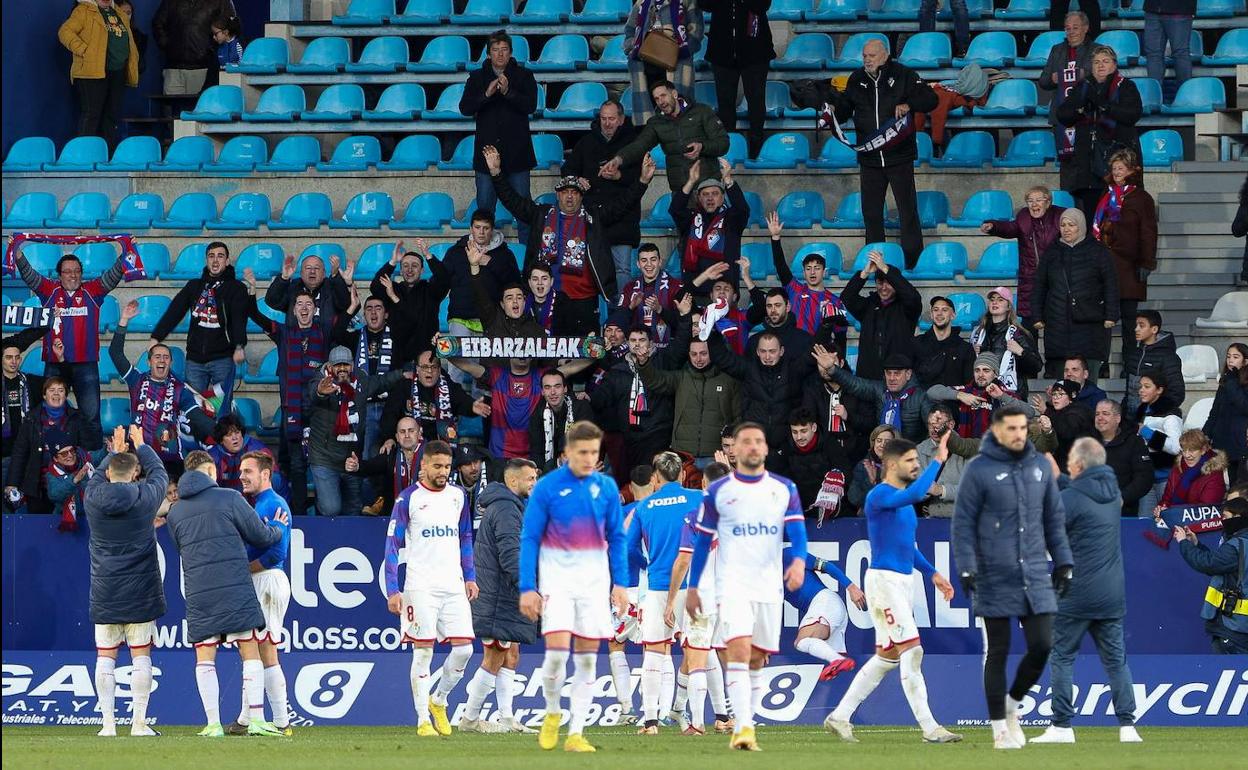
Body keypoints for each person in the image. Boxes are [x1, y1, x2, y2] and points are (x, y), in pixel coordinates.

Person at [825, 431, 961, 744]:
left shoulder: (904, 503)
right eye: (910, 461)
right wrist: (938, 460)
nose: (915, 465)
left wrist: (932, 574)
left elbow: (907, 546)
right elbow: (916, 493)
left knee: (887, 658)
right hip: (884, 583)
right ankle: (930, 728)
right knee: (913, 650)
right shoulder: (879, 496)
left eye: (917, 460)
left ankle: (839, 716)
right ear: (891, 465)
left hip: (901, 582)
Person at [953, 406, 1073, 750]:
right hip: (993, 573)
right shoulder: (979, 469)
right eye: (1012, 428)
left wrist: (1064, 561)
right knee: (998, 650)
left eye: (1023, 428)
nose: (1019, 434)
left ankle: (1011, 704)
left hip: (1033, 572)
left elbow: (1053, 520)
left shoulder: (1039, 467)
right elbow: (963, 523)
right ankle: (999, 731)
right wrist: (966, 566)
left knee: (1043, 645)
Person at [685, 422, 806, 751]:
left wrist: (798, 561)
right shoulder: (719, 492)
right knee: (737, 651)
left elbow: (797, 531)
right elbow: (702, 542)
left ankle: (745, 721)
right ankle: (743, 728)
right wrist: (693, 587)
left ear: (765, 449)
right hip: (732, 585)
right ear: (733, 451)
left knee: (756, 659)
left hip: (768, 587)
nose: (752, 446)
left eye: (758, 441)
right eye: (745, 442)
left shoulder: (783, 488)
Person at [519, 421, 630, 752]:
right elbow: (529, 538)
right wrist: (527, 587)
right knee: (556, 655)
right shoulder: (547, 487)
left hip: (594, 584)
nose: (589, 459)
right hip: (558, 582)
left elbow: (617, 537)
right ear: (567, 452)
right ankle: (553, 711)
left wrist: (620, 583)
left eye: (594, 453)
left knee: (587, 660)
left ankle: (576, 733)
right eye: (583, 452)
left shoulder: (606, 487)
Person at [164, 450, 285, 738]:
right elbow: (261, 537)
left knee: (205, 654)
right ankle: (257, 719)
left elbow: (181, 547)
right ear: (209, 472)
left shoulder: (175, 511)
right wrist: (278, 528)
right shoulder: (230, 498)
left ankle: (212, 724)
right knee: (249, 647)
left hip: (199, 589)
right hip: (234, 584)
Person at [1032, 438, 1142, 744]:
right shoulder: (1113, 493)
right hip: (1111, 594)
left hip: (1076, 593)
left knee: (1062, 657)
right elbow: (1081, 493)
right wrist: (1057, 474)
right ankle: (1128, 726)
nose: (1068, 465)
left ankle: (1061, 726)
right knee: (1116, 661)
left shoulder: (1070, 499)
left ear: (1080, 465)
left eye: (1070, 461)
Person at [486, 146, 657, 334]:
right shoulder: (541, 215)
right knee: (546, 349)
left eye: (574, 192)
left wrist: (643, 181)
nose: (569, 196)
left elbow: (623, 204)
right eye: (565, 192)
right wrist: (496, 173)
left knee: (587, 349)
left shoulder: (593, 217)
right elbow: (513, 201)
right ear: (557, 194)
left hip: (585, 300)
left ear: (581, 196)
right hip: (546, 298)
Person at [382, 441, 477, 737]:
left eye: (447, 467)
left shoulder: (458, 496)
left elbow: (465, 537)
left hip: (453, 584)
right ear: (423, 465)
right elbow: (393, 544)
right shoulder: (408, 498)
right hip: (420, 586)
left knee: (465, 650)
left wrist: (470, 576)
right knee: (423, 651)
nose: (443, 472)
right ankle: (423, 719)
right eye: (437, 466)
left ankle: (439, 700)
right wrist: (393, 589)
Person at [82, 424, 167, 737]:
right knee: (141, 656)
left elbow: (95, 476)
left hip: (105, 589)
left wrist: (114, 452)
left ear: (108, 473)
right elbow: (159, 472)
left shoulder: (92, 497)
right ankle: (139, 724)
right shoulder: (145, 498)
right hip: (141, 591)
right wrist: (141, 444)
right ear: (134, 474)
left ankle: (108, 725)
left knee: (105, 657)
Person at [825, 39, 938, 269]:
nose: (867, 60)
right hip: (870, 159)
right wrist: (834, 109)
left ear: (885, 55)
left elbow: (930, 99)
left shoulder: (904, 74)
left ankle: (913, 263)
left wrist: (909, 104)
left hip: (899, 156)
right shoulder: (856, 79)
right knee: (871, 214)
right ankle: (875, 264)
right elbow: (846, 109)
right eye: (864, 56)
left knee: (908, 212)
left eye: (872, 55)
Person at [13, 249, 131, 448]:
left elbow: (113, 275)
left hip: (86, 364)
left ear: (81, 274)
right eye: (67, 271)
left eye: (77, 271)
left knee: (91, 416)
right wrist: (18, 255)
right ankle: (49, 457)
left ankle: (93, 461)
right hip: (55, 363)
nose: (73, 275)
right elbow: (29, 275)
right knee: (50, 413)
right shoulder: (49, 290)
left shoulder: (92, 291)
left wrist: (126, 252)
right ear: (59, 275)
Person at [461, 458, 541, 734]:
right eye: (530, 478)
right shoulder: (506, 509)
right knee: (495, 655)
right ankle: (470, 718)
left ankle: (506, 717)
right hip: (497, 595)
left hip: (503, 593)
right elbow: (510, 555)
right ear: (513, 480)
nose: (534, 483)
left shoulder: (512, 505)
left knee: (511, 654)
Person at [629, 452, 703, 734]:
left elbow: (629, 548)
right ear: (682, 474)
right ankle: (699, 720)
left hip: (659, 587)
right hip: (694, 587)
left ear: (656, 478)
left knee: (654, 652)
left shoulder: (644, 507)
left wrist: (647, 564)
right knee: (697, 653)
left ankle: (651, 721)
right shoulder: (699, 499)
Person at [223, 451, 293, 736]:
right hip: (264, 581)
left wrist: (242, 569)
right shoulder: (262, 504)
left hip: (267, 580)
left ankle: (280, 722)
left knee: (263, 650)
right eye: (241, 471)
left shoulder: (273, 504)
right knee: (253, 650)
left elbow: (277, 552)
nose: (242, 476)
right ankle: (246, 718)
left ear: (265, 474)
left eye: (248, 471)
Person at [245, 286, 327, 515]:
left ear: (315, 309)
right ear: (293, 310)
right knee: (297, 465)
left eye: (308, 304)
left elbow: (345, 323)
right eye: (299, 304)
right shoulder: (284, 333)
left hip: (320, 410)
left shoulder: (324, 333)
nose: (304, 308)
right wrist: (252, 293)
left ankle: (323, 513)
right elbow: (256, 316)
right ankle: (299, 514)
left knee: (321, 464)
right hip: (292, 410)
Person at [111, 300, 216, 475]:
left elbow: (198, 419)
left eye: (166, 357)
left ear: (171, 363)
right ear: (149, 362)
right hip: (138, 456)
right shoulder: (136, 379)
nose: (161, 360)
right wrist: (124, 320)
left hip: (169, 459)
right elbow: (115, 353)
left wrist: (224, 433)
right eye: (157, 356)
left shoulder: (180, 389)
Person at [307, 346, 412, 517]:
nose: (342, 369)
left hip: (352, 458)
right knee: (331, 508)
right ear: (330, 366)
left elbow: (380, 382)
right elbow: (313, 393)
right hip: (325, 458)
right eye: (338, 365)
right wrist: (320, 391)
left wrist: (401, 374)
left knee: (354, 509)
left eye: (346, 365)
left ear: (352, 365)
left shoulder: (360, 380)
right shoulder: (320, 381)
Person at [152, 241, 248, 418]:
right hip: (195, 360)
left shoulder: (236, 288)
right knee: (194, 411)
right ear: (206, 260)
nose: (215, 260)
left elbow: (238, 318)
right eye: (211, 256)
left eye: (220, 256)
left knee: (222, 410)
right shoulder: (194, 286)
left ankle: (222, 436)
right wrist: (156, 337)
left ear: (227, 261)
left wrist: (239, 345)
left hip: (223, 359)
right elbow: (175, 311)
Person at [461, 29, 538, 247]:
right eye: (495, 50)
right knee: (484, 212)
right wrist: (486, 94)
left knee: (524, 212)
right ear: (488, 54)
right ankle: (481, 256)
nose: (500, 54)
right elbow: (465, 108)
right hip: (486, 157)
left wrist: (508, 93)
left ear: (511, 52)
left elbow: (530, 106)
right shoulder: (477, 78)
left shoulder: (524, 76)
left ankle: (527, 258)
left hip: (517, 156)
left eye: (504, 49)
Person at [564, 100, 644, 293]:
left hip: (623, 218)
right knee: (590, 268)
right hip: (593, 218)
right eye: (603, 118)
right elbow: (567, 170)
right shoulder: (586, 142)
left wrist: (619, 176)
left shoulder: (633, 143)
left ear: (621, 119)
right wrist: (577, 180)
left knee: (622, 270)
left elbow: (642, 179)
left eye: (611, 119)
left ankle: (621, 309)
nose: (607, 123)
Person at [1056, 45, 1143, 222]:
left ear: (1114, 65)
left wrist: (1104, 106)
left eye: (1105, 61)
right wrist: (1080, 109)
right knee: (1092, 217)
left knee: (1120, 218)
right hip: (1089, 165)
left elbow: (1132, 115)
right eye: (1096, 62)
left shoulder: (1126, 86)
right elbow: (1063, 114)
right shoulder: (1083, 86)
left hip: (1117, 161)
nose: (1100, 65)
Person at [591, 322, 690, 474]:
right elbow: (599, 401)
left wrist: (685, 317)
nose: (637, 344)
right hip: (629, 438)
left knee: (655, 479)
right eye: (633, 340)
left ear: (651, 343)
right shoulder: (618, 370)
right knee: (631, 481)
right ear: (627, 343)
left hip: (658, 436)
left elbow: (682, 344)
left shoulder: (664, 361)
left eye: (642, 340)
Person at [1032, 208, 1120, 378]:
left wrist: (1111, 314)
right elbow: (1039, 286)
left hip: (1089, 323)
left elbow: (1111, 285)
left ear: (1081, 226)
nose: (1066, 229)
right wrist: (1037, 316)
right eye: (1063, 225)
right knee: (1062, 384)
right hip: (1057, 323)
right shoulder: (1051, 252)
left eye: (1071, 225)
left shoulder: (1098, 251)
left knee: (1088, 379)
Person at [602, 79, 730, 193]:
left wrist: (702, 147)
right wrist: (618, 160)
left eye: (663, 96)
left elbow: (723, 143)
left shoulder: (701, 111)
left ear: (674, 94)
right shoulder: (656, 123)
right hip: (680, 190)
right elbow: (639, 145)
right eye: (657, 99)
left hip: (708, 186)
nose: (661, 102)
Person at [1094, 150, 1157, 371]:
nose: (1117, 172)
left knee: (1130, 320)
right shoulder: (1106, 194)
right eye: (1114, 168)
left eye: (1121, 168)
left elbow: (1148, 232)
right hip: (1105, 265)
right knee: (1104, 319)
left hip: (1130, 266)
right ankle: (1101, 364)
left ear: (1131, 170)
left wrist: (1146, 262)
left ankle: (1129, 365)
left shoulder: (1141, 198)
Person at [639, 335, 740, 465]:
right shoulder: (681, 377)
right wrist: (644, 363)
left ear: (713, 353)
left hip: (716, 454)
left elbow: (738, 417)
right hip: (684, 453)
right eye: (694, 354)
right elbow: (655, 380)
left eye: (703, 353)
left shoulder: (729, 381)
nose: (698, 359)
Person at [333, 287, 404, 464]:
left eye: (378, 308)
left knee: (391, 456)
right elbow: (336, 334)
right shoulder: (356, 337)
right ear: (364, 314)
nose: (373, 312)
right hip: (364, 406)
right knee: (366, 456)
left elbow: (410, 322)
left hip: (391, 406)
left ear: (386, 314)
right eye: (369, 308)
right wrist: (352, 307)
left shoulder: (398, 336)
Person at [708, 329, 810, 446]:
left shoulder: (792, 370)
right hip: (754, 444)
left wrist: (825, 326)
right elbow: (722, 358)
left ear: (781, 351)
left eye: (772, 351)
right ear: (757, 352)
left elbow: (812, 356)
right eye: (763, 351)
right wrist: (712, 332)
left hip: (785, 445)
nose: (767, 356)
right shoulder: (749, 369)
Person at [980, 187, 1065, 327]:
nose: (1034, 204)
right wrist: (993, 226)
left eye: (1038, 200)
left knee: (1056, 322)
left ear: (1048, 202)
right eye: (1030, 201)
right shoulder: (1024, 216)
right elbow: (1009, 228)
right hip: (1030, 278)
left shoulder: (1060, 215)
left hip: (1057, 278)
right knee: (1029, 325)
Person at [59, 0, 139, 147]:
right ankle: (85, 154)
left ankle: (107, 154)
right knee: (92, 115)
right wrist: (83, 50)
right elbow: (64, 32)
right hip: (92, 72)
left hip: (117, 71)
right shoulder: (83, 10)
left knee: (111, 116)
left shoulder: (119, 12)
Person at [1174, 496, 1248, 654]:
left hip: (1232, 625)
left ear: (1238, 517)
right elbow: (1218, 565)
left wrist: (1183, 542)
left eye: (1226, 517)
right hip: (1240, 625)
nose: (1223, 521)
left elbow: (1207, 564)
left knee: (1229, 667)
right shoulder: (1242, 543)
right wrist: (1196, 544)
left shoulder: (1237, 545)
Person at [701, 0, 774, 158]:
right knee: (725, 102)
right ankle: (730, 148)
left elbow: (763, 4)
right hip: (722, 49)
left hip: (755, 49)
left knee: (756, 99)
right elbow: (704, 4)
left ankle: (756, 146)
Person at [835, 250, 923, 380]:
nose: (884, 287)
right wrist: (865, 273)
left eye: (889, 282)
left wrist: (885, 269)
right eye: (880, 282)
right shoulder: (868, 305)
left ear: (895, 284)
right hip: (868, 378)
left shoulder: (907, 308)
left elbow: (913, 297)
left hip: (897, 378)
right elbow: (847, 297)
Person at [672, 160, 751, 302]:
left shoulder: (731, 219)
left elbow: (742, 209)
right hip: (694, 293)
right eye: (705, 194)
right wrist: (690, 182)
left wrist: (728, 180)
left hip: (724, 294)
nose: (709, 198)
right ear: (698, 198)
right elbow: (675, 209)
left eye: (715, 194)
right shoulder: (690, 219)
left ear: (722, 197)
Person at [440, 211, 522, 349]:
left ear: (492, 229)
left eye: (486, 228)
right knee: (459, 361)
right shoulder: (456, 252)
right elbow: (440, 282)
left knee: (489, 362)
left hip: (493, 319)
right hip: (460, 317)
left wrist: (490, 263)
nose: (481, 232)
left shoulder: (505, 254)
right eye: (477, 227)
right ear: (471, 228)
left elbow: (515, 284)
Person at [5, 378, 87, 514]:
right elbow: (20, 453)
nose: (56, 394)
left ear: (66, 395)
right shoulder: (31, 418)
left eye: (61, 390)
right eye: (52, 390)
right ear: (44, 395)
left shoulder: (76, 418)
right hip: (37, 487)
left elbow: (85, 450)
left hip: (68, 484)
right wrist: (12, 483)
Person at [817, 348, 932, 443]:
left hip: (909, 456)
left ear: (908, 374)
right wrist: (832, 369)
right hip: (880, 453)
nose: (892, 378)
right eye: (888, 373)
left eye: (897, 374)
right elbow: (855, 384)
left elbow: (933, 427)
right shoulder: (879, 389)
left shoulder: (921, 397)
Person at [784, 546, 866, 680]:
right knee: (841, 678)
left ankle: (838, 660)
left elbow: (826, 566)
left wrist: (851, 587)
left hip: (825, 603)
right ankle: (839, 662)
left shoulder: (789, 554)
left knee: (803, 640)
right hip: (829, 610)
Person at [381, 350, 489, 445]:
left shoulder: (448, 387)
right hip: (410, 446)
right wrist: (389, 438)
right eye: (425, 367)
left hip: (440, 447)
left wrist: (472, 406)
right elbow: (390, 414)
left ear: (439, 370)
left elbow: (462, 401)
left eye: (434, 367)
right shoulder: (403, 387)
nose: (429, 371)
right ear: (417, 369)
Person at [623, 0, 702, 124]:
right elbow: (630, 29)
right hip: (645, 64)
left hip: (677, 64)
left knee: (680, 114)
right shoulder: (642, 2)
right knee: (648, 117)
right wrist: (633, 46)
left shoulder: (687, 1)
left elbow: (696, 30)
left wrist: (683, 50)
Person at [928, 352, 1037, 439]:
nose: (980, 374)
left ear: (995, 374)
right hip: (966, 449)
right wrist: (960, 395)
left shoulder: (1005, 394)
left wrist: (1002, 396)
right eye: (977, 370)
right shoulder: (965, 390)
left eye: (986, 370)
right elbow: (932, 392)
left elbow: (1030, 413)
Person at [370, 242, 449, 362]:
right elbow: (375, 286)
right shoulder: (393, 288)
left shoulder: (431, 290)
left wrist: (428, 255)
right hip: (398, 355)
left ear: (422, 270)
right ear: (401, 271)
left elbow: (444, 279)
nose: (410, 270)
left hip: (426, 355)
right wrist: (392, 262)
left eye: (415, 266)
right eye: (405, 266)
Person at [769, 407, 851, 515]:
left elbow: (846, 472)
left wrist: (837, 480)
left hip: (828, 509)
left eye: (803, 431)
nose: (799, 437)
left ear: (814, 427)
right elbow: (776, 478)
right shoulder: (785, 448)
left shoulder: (830, 444)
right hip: (798, 508)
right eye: (795, 432)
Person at [1040, 13, 1094, 172]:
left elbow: (1101, 76)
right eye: (1067, 28)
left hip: (1086, 116)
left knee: (1088, 164)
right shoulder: (1057, 50)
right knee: (1066, 166)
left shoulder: (1096, 50)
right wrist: (1053, 79)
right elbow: (1043, 81)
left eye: (1075, 28)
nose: (1071, 32)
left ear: (1086, 28)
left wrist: (1084, 74)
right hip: (1061, 117)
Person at [970, 287, 1043, 397]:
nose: (995, 302)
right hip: (983, 395)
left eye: (1000, 300)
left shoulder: (1019, 334)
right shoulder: (978, 334)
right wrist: (971, 353)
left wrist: (1021, 352)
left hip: (1012, 396)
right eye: (992, 299)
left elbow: (1036, 366)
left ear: (1008, 306)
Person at [153, 0, 236, 94]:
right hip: (173, 70)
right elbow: (158, 24)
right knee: (173, 103)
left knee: (201, 103)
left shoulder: (221, 2)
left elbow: (231, 27)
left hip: (205, 69)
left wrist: (210, 51)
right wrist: (169, 47)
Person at [347, 416, 425, 515]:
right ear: (397, 437)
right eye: (402, 432)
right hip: (395, 514)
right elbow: (371, 466)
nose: (406, 435)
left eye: (411, 431)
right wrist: (356, 466)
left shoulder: (430, 454)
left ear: (419, 434)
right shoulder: (391, 455)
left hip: (425, 512)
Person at [2, 328, 50, 490]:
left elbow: (60, 385)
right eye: (8, 357)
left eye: (17, 357)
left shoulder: (32, 382)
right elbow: (20, 339)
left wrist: (61, 359)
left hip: (27, 454)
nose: (13, 361)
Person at [1134, 371, 1185, 517]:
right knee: (1145, 522)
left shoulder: (1170, 413)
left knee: (1168, 520)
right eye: (1140, 386)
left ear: (1159, 390)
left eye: (1147, 386)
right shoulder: (1141, 411)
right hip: (1146, 477)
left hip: (1166, 477)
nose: (1141, 390)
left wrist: (1147, 432)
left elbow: (1176, 447)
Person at [266, 252, 352, 337]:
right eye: (308, 268)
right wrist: (283, 278)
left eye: (317, 268)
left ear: (324, 274)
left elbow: (345, 305)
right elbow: (272, 301)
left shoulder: (332, 286)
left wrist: (336, 277)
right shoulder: (293, 287)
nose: (312, 271)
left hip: (327, 341)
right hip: (296, 340)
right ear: (301, 273)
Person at [1095, 399, 1156, 516]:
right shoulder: (1087, 441)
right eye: (1097, 414)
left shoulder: (1133, 442)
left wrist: (1121, 497)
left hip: (1123, 512)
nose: (1100, 417)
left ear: (1118, 418)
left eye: (1105, 413)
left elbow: (1144, 477)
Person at [616, 244, 683, 346]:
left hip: (668, 348)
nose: (649, 264)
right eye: (644, 260)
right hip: (636, 347)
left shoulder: (675, 287)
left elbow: (683, 323)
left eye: (653, 260)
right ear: (638, 264)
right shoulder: (630, 288)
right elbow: (618, 322)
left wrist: (660, 310)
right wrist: (630, 308)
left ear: (660, 262)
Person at [529, 370, 593, 473]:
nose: (553, 392)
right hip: (550, 466)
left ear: (565, 389)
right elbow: (537, 449)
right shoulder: (538, 413)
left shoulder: (581, 407)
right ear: (542, 392)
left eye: (557, 386)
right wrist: (538, 472)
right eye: (547, 387)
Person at [1123, 309, 1185, 416]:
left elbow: (1177, 393)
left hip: (1156, 418)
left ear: (1154, 329)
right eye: (1136, 325)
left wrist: (1153, 412)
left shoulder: (1168, 357)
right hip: (1131, 415)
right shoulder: (1134, 354)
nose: (1136, 329)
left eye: (1141, 326)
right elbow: (1129, 391)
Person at [1204, 344, 1248, 485]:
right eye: (1228, 356)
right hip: (1225, 440)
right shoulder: (1226, 381)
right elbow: (1215, 412)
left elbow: (1244, 406)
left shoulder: (1233, 382)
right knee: (1232, 481)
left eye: (1236, 357)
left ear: (1245, 361)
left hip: (1241, 442)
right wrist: (1205, 435)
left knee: (1241, 485)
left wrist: (1232, 381)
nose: (1230, 360)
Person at [1031, 379, 1097, 471]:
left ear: (1072, 395)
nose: (1056, 397)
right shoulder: (1063, 411)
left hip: (1078, 466)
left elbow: (1066, 431)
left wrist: (1046, 411)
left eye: (1061, 394)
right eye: (1054, 394)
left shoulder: (1078, 412)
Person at [1156, 429, 1229, 512]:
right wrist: (1161, 509)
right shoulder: (1177, 468)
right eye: (1184, 450)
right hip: (1175, 515)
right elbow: (1166, 499)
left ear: (1203, 450)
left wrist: (1173, 513)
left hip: (1197, 519)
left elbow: (1206, 510)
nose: (1187, 455)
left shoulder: (1214, 474)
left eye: (1192, 450)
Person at [206, 414, 280, 495]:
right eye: (229, 435)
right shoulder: (213, 456)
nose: (235, 438)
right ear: (221, 440)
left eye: (237, 432)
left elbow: (276, 480)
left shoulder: (258, 451)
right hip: (227, 499)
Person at [915, 404, 966, 518]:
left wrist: (941, 490)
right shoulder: (919, 450)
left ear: (951, 424)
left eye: (939, 424)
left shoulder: (966, 448)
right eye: (931, 424)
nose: (934, 429)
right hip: (933, 519)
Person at [913, 296, 975, 389]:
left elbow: (969, 384)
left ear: (953, 315)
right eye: (935, 310)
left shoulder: (965, 349)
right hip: (923, 397)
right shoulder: (917, 343)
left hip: (954, 397)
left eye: (944, 310)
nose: (939, 313)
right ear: (931, 315)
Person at [1143, 0, 1194, 90]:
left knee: (1180, 54)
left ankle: (1186, 94)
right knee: (1153, 54)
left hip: (1179, 9)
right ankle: (1154, 95)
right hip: (1153, 9)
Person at [846, 425, 895, 515]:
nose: (882, 445)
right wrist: (871, 482)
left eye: (887, 442)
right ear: (873, 443)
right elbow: (854, 497)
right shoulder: (863, 465)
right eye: (879, 441)